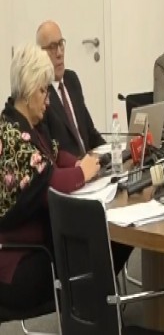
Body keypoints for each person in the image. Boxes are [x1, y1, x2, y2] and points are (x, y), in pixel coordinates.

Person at [0, 45, 105, 310]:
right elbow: (51, 184)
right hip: (17, 262)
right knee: (92, 259)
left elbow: (55, 155)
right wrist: (83, 172)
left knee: (93, 254)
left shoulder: (27, 125)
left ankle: (93, 317)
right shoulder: (12, 137)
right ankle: (91, 319)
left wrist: (79, 162)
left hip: (36, 248)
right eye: (43, 91)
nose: (47, 100)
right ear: (28, 90)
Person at [36, 21, 105, 157]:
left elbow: (90, 133)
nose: (59, 53)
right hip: (71, 167)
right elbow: (52, 154)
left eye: (61, 44)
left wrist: (112, 154)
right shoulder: (40, 93)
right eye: (52, 47)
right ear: (40, 54)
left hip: (91, 163)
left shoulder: (71, 79)